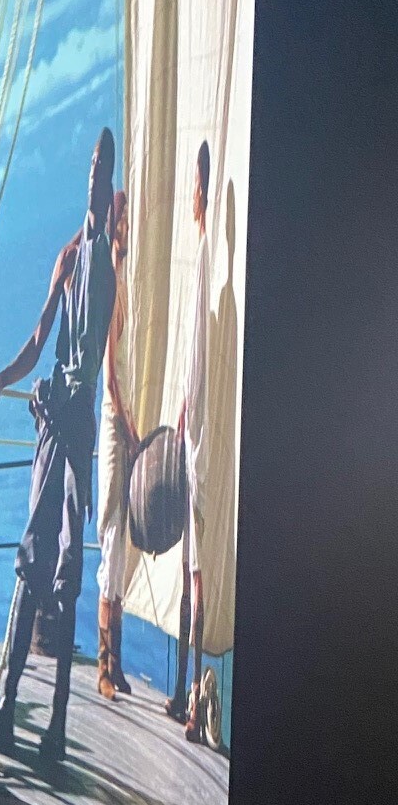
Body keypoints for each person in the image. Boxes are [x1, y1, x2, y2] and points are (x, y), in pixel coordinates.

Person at [0, 129, 123, 765]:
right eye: (93, 164)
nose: (97, 175)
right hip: (55, 431)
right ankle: (6, 706)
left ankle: (54, 726)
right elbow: (41, 338)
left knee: (60, 575)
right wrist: (3, 380)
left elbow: (85, 364)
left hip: (73, 427)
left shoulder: (106, 266)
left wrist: (44, 395)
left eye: (105, 167)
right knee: (32, 567)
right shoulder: (73, 261)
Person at [167, 141, 213, 742]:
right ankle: (184, 688)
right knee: (188, 566)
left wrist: (186, 415)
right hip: (191, 425)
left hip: (196, 436)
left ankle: (192, 688)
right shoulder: (204, 263)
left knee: (193, 568)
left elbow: (197, 363)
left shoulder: (203, 264)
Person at [95, 189, 134, 700]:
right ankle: (103, 667)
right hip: (111, 424)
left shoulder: (121, 285)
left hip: (121, 422)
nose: (124, 237)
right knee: (109, 537)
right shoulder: (107, 287)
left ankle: (116, 664)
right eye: (120, 229)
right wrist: (125, 422)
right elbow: (109, 375)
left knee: (121, 541)